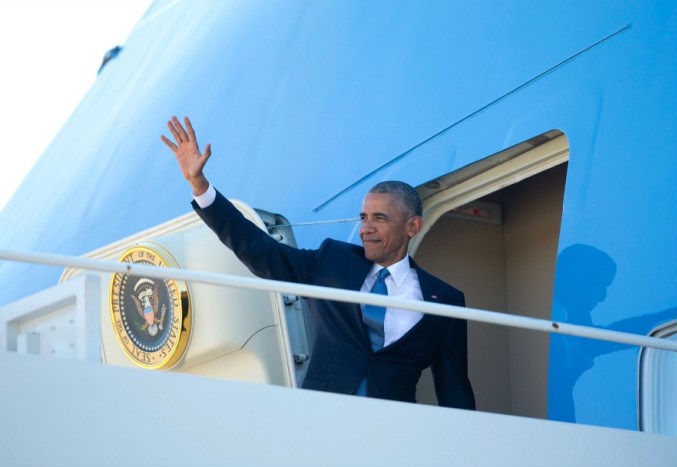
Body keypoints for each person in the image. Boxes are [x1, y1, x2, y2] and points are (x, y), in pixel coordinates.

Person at [161, 116, 475, 409]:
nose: (365, 229)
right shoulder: (333, 262)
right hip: (320, 418)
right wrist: (201, 186)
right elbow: (261, 252)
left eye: (380, 218)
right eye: (363, 217)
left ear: (412, 227)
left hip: (392, 429)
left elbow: (454, 388)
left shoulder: (446, 300)